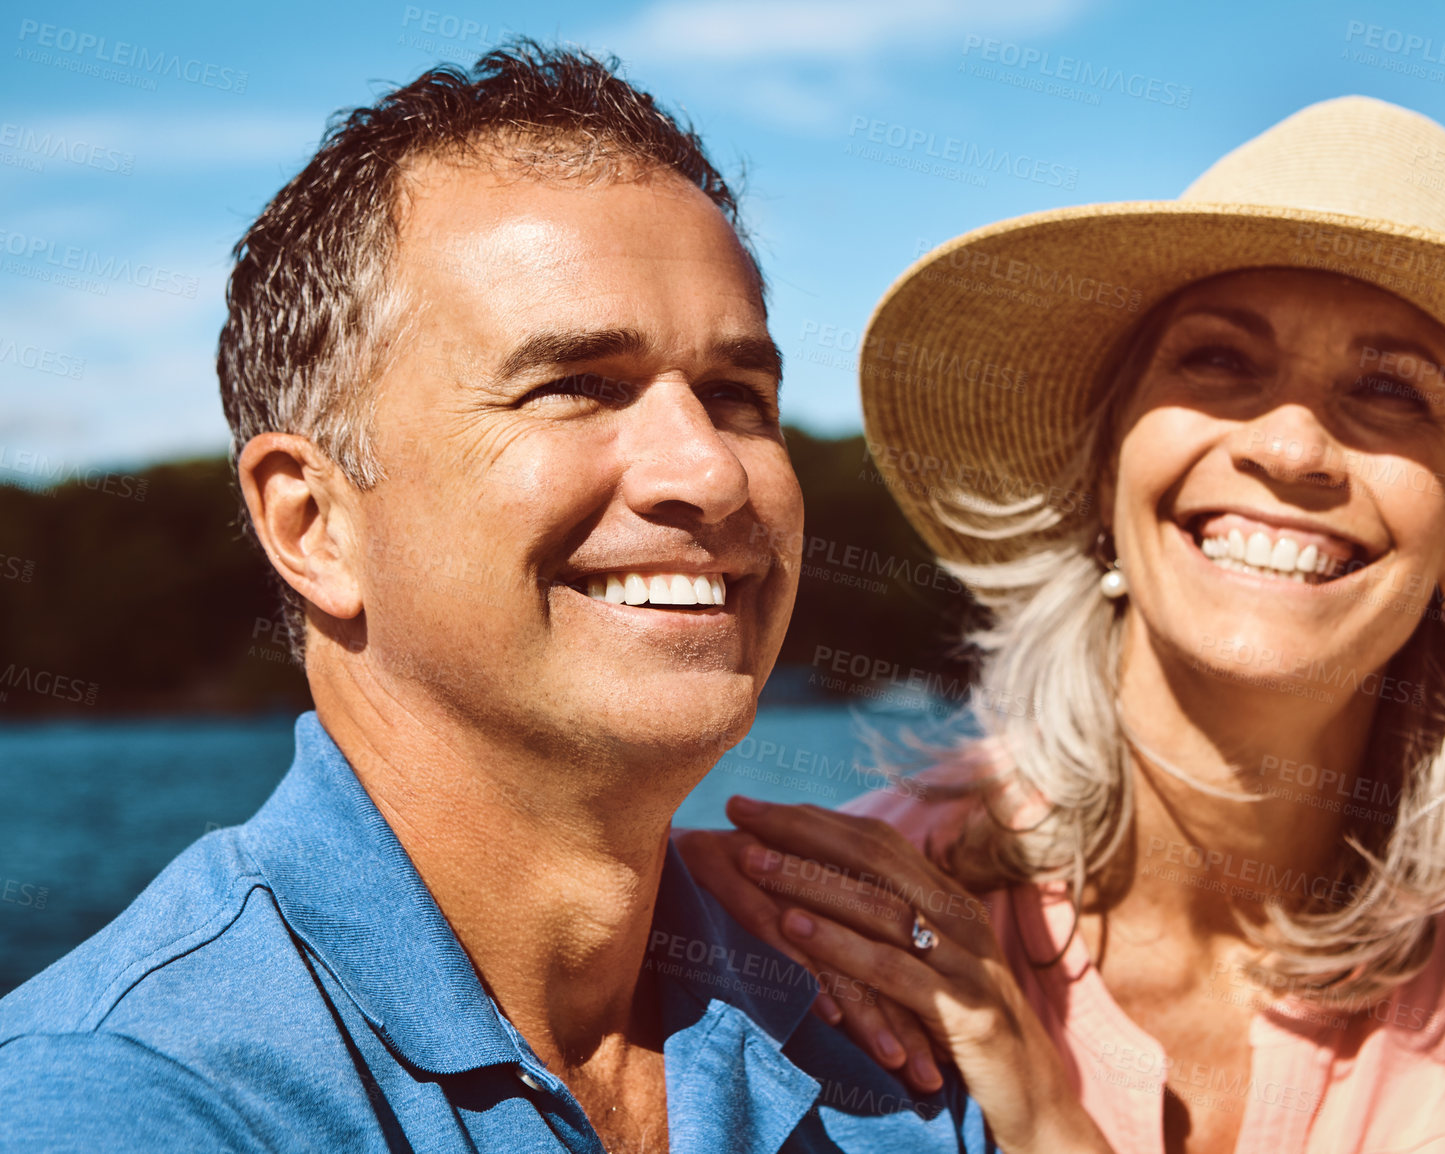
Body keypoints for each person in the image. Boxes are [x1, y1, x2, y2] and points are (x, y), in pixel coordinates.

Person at [0, 43, 1112, 1154]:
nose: (711, 469)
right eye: (578, 385)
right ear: (311, 523)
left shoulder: (879, 1029)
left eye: (738, 395)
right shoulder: (123, 1096)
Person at [678, 95, 1445, 1153]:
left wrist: (1047, 1124)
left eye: (1391, 390)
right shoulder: (847, 925)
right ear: (1104, 471)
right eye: (1220, 361)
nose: (1292, 447)